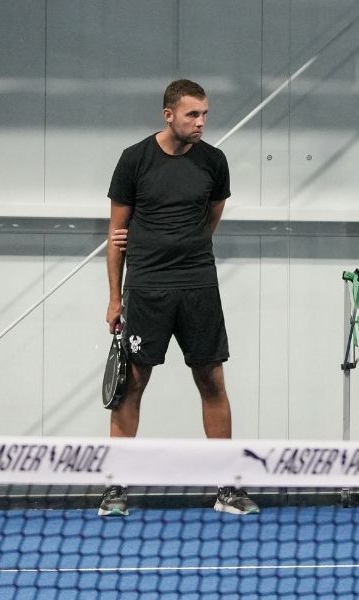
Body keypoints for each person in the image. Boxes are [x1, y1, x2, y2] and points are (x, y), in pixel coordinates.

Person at [101, 79, 258, 517]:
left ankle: (227, 487)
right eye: (193, 114)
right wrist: (115, 298)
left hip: (199, 288)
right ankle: (115, 488)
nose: (201, 122)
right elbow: (116, 236)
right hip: (146, 289)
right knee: (131, 385)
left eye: (205, 114)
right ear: (168, 114)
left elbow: (211, 217)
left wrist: (184, 248)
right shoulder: (134, 160)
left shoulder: (214, 161)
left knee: (212, 381)